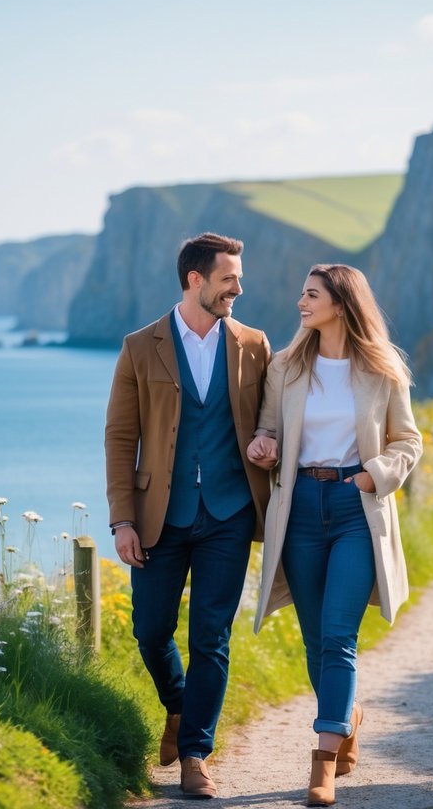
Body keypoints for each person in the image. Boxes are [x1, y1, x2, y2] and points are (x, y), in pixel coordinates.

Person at [247, 263, 422, 807]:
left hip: (355, 508)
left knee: (337, 636)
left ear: (342, 303)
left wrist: (373, 476)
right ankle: (345, 718)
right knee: (312, 638)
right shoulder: (285, 367)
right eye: (302, 293)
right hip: (298, 507)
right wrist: (263, 446)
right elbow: (267, 429)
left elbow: (408, 441)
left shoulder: (384, 369)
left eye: (312, 294)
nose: (301, 302)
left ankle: (321, 765)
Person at [104, 232, 271, 800]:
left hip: (228, 512)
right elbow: (120, 436)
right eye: (229, 279)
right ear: (196, 280)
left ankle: (196, 754)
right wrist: (121, 519)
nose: (238, 288)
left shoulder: (254, 344)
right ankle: (179, 706)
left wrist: (267, 441)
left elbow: (269, 417)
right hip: (159, 516)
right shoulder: (139, 346)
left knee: (211, 637)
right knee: (149, 629)